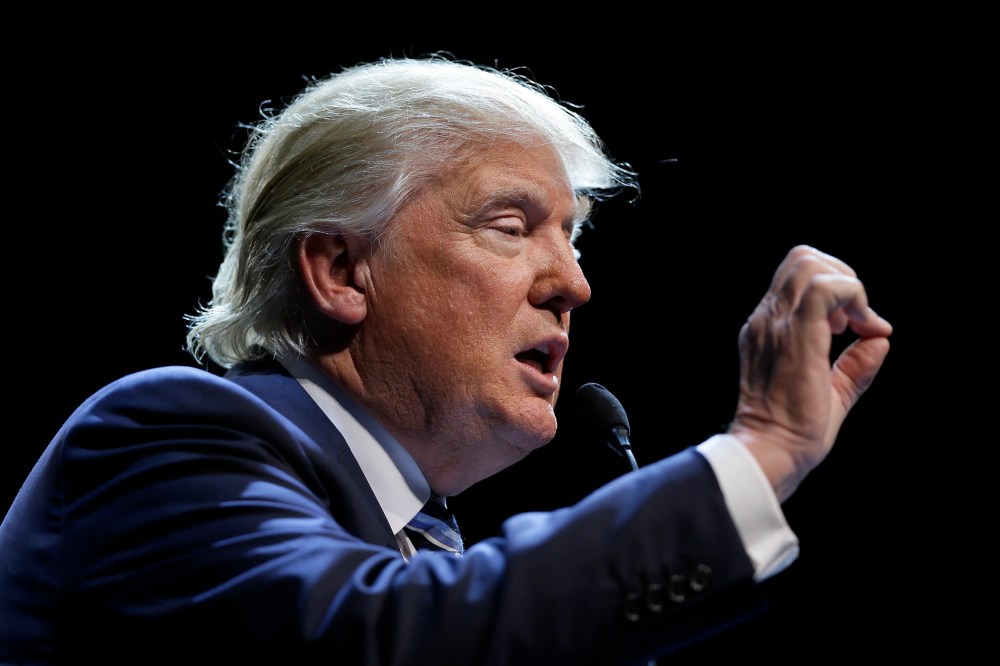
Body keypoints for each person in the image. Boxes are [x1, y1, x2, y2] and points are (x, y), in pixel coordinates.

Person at [0, 55, 892, 664]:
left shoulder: (417, 538)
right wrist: (764, 445)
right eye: (510, 227)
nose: (573, 286)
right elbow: (390, 643)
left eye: (574, 241)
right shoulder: (160, 438)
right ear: (343, 270)